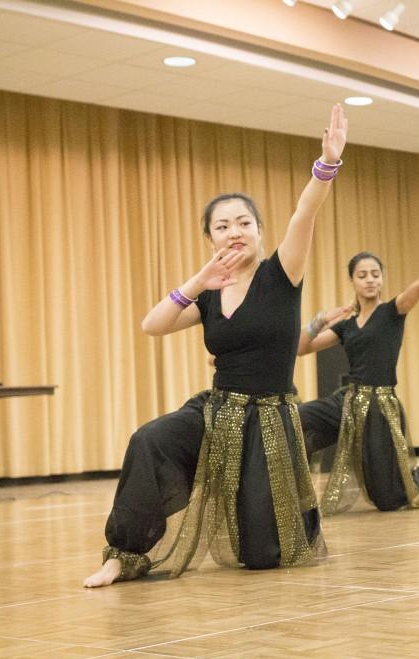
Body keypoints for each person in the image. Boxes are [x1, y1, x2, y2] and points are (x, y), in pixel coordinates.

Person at [83, 105, 349, 587]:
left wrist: (326, 164)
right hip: (217, 409)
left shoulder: (281, 272)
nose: (234, 232)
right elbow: (152, 325)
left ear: (260, 231)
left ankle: (294, 524)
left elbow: (305, 211)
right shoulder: (206, 293)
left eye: (244, 222)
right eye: (223, 225)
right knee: (150, 439)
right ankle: (123, 555)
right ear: (210, 237)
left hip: (268, 419)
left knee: (263, 554)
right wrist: (197, 280)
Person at [297, 219, 419, 515]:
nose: (370, 280)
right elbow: (302, 348)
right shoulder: (346, 326)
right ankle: (293, 487)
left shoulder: (393, 312)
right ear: (352, 281)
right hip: (349, 400)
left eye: (375, 274)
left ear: (382, 279)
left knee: (388, 501)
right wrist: (320, 320)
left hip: (380, 407)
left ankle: (418, 480)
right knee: (300, 417)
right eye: (362, 275)